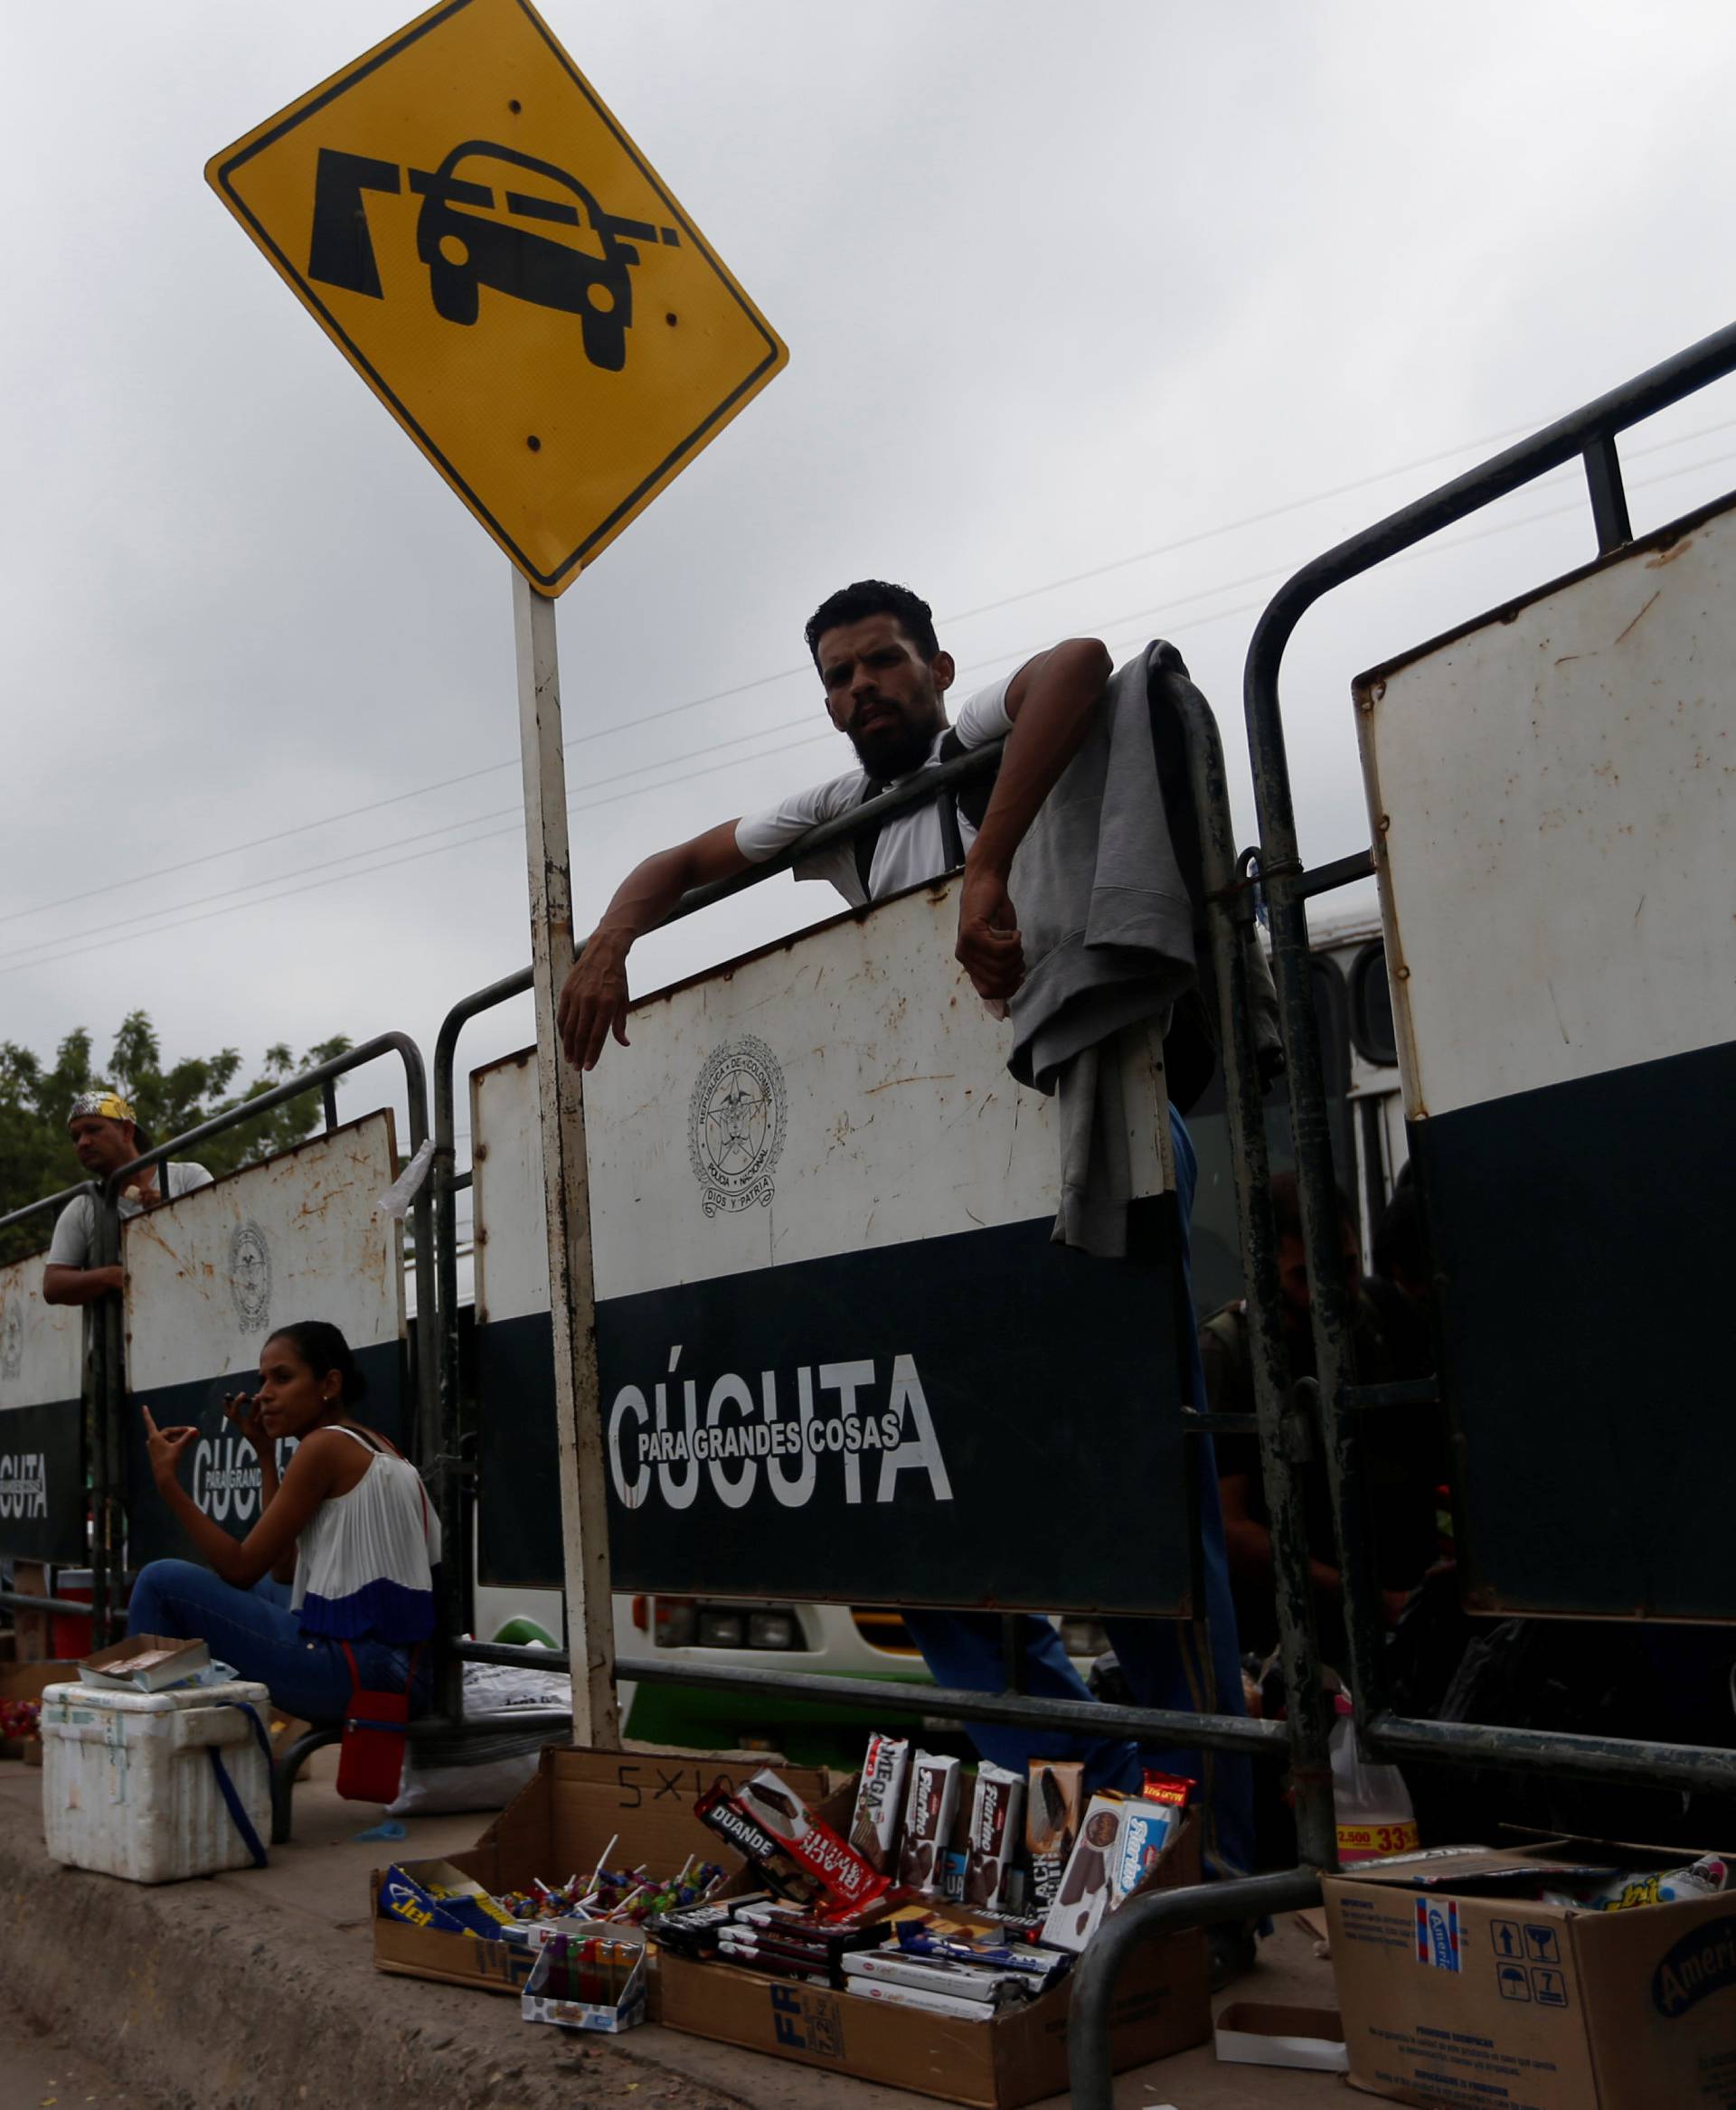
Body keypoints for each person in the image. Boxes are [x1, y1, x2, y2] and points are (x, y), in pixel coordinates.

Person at [559, 579, 1255, 1891]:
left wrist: (986, 862)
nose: (859, 689)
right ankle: (1081, 1814)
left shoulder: (975, 739)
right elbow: (680, 864)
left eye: (881, 662)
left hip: (1085, 1140)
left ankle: (1210, 1836)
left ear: (934, 665)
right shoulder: (844, 814)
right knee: (926, 1523)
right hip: (940, 1202)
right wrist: (609, 944)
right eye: (836, 676)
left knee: (1142, 1511)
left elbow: (1082, 659)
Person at [127, 1320, 437, 1722]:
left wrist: (168, 1484)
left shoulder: (323, 1447)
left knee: (159, 1582)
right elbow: (283, 1570)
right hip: (397, 1667)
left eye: (283, 1378)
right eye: (263, 1380)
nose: (265, 1395)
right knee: (255, 1585)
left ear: (330, 1384)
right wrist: (265, 1456)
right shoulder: (369, 1442)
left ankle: (150, 1737)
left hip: (364, 1671)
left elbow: (240, 1568)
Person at [1205, 1172, 1440, 1672]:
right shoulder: (1230, 1355)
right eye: (1304, 1275)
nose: (1332, 1292)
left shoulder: (1386, 1318)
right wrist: (1367, 1597)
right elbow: (1231, 1527)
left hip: (1406, 1622)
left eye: (1346, 1266)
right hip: (1291, 1641)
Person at [42, 1089, 212, 1305]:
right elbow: (53, 1285)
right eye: (76, 1137)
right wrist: (112, 1276)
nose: (83, 1142)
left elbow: (222, 1234)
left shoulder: (188, 1177)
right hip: (125, 1337)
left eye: (93, 1130)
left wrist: (173, 1212)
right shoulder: (84, 1206)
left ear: (127, 1132)